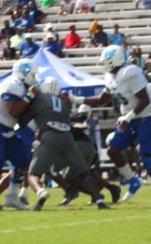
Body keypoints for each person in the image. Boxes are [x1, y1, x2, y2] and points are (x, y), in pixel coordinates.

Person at [68, 45, 151, 207]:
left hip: (148, 117)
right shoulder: (111, 76)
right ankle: (133, 181)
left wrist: (127, 117)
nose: (103, 64)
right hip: (130, 118)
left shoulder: (130, 72)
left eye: (106, 61)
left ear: (114, 60)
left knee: (146, 157)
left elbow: (145, 100)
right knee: (112, 149)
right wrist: (75, 99)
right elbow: (101, 99)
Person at [20, 77, 108, 210]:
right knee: (85, 173)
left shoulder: (39, 99)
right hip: (68, 137)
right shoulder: (63, 102)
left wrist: (16, 125)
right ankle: (99, 200)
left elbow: (25, 119)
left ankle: (41, 192)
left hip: (50, 136)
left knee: (33, 174)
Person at [0, 59, 39, 211]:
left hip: (7, 130)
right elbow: (12, 111)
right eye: (32, 74)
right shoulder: (12, 84)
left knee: (23, 160)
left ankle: (12, 197)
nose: (34, 77)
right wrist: (30, 96)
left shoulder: (23, 85)